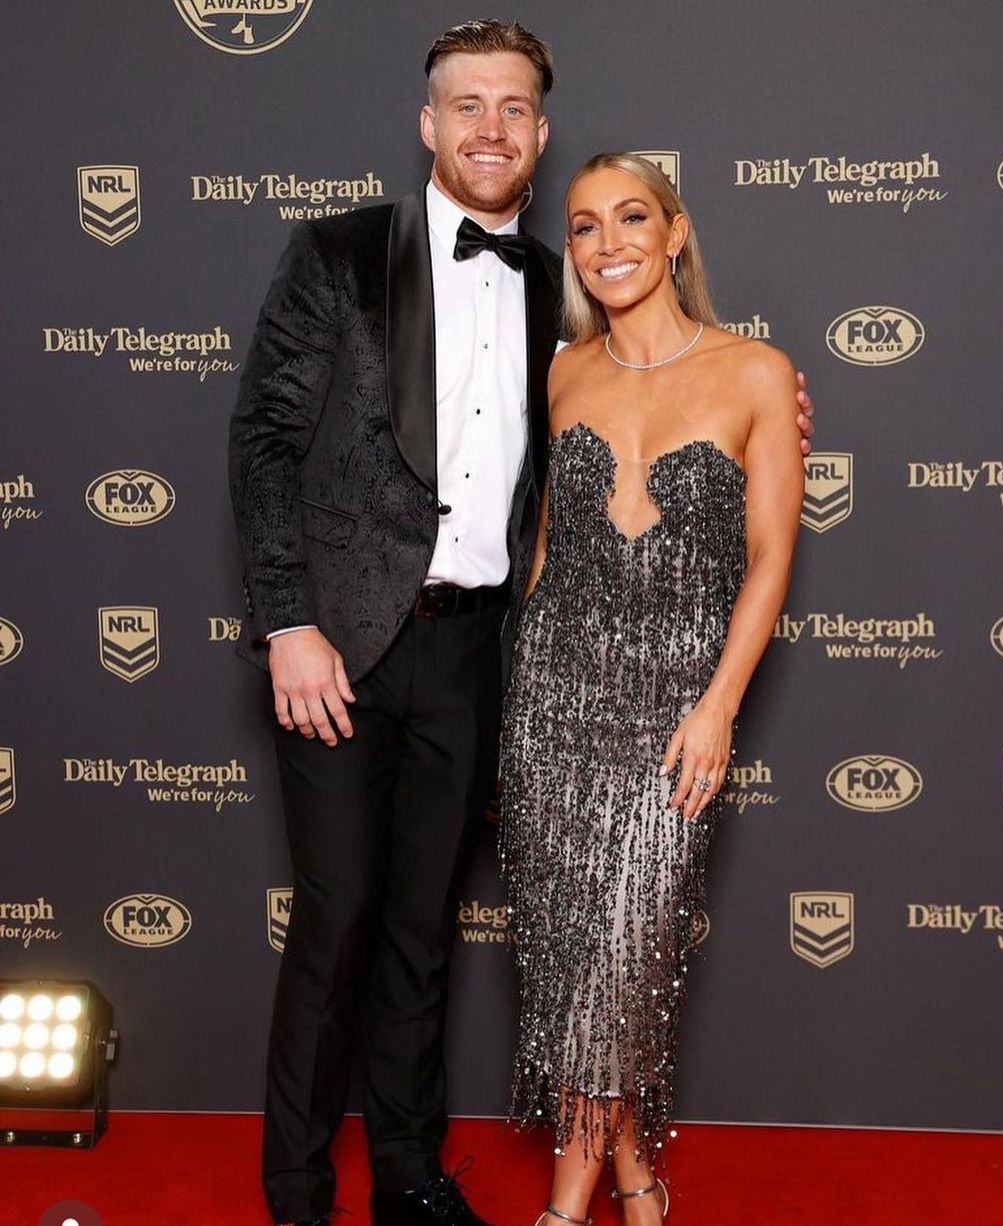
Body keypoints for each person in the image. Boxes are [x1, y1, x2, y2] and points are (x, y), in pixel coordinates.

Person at [229, 20, 814, 1226]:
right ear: (429, 124)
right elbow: (265, 440)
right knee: (335, 923)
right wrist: (287, 621)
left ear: (539, 135)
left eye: (513, 109)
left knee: (423, 933)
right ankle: (296, 1196)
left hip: (482, 653)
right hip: (339, 649)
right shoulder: (339, 252)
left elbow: (655, 407)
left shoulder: (564, 290)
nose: (489, 128)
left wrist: (774, 402)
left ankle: (408, 1177)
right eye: (468, 105)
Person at [500, 153, 805, 1226]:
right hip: (554, 698)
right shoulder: (561, 372)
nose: (608, 243)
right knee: (577, 960)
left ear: (674, 233)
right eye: (584, 226)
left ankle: (563, 1209)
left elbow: (770, 558)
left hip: (676, 705)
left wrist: (718, 704)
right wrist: (516, 704)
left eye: (632, 217)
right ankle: (631, 1187)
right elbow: (545, 551)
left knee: (627, 949)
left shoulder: (757, 371)